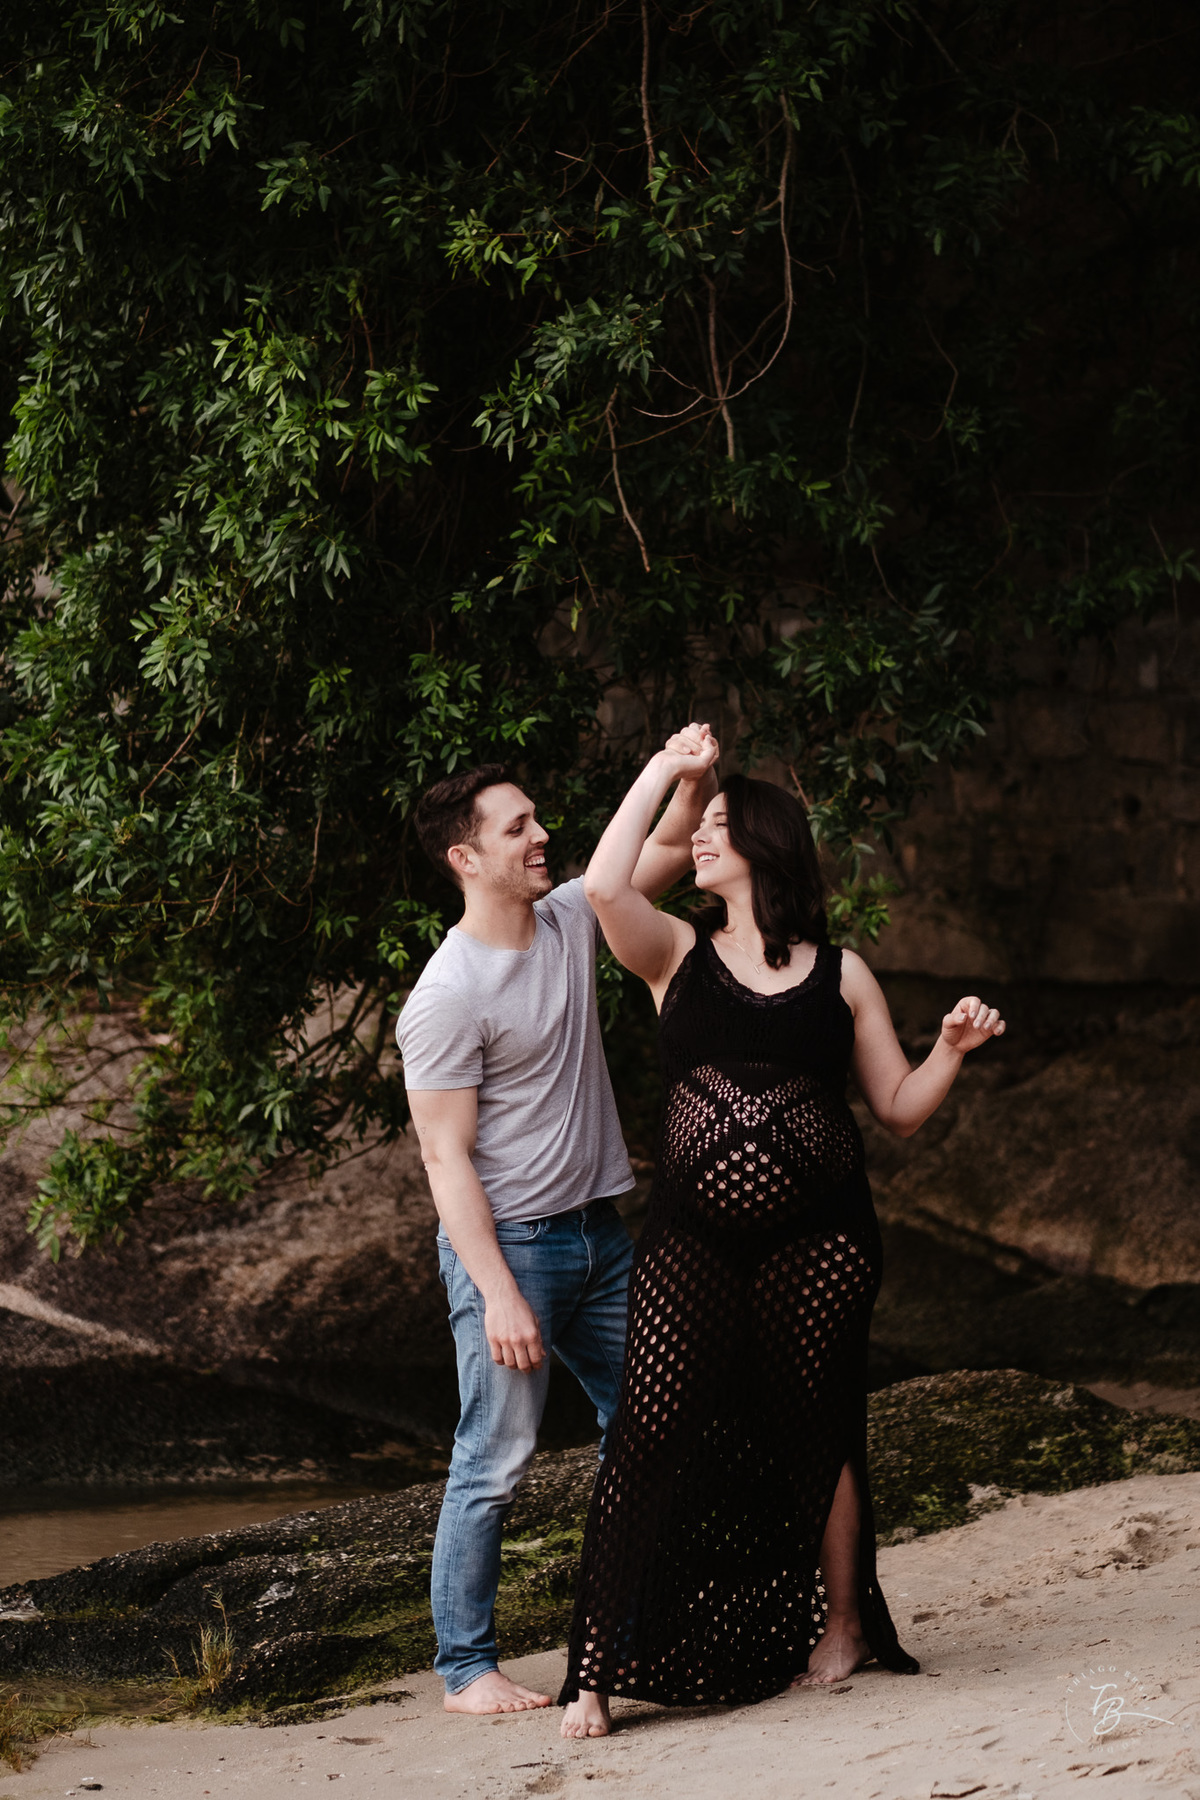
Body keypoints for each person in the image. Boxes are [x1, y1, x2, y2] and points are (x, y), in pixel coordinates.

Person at [559, 731, 1006, 1738]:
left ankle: (843, 1629)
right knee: (648, 1430)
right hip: (693, 1244)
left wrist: (950, 1049)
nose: (698, 840)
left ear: (765, 845)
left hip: (826, 1245)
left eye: (717, 826)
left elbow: (895, 1106)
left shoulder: (842, 974)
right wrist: (674, 773)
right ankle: (592, 1670)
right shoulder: (672, 950)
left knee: (824, 1425)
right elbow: (601, 885)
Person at [397, 734, 718, 1716]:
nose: (543, 837)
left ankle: (629, 1644)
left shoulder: (574, 917)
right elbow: (445, 1157)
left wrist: (692, 775)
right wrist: (495, 1291)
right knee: (493, 1461)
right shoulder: (447, 996)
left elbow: (659, 850)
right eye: (519, 827)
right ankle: (466, 1670)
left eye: (536, 820)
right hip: (518, 1252)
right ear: (466, 857)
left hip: (600, 1235)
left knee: (660, 1423)